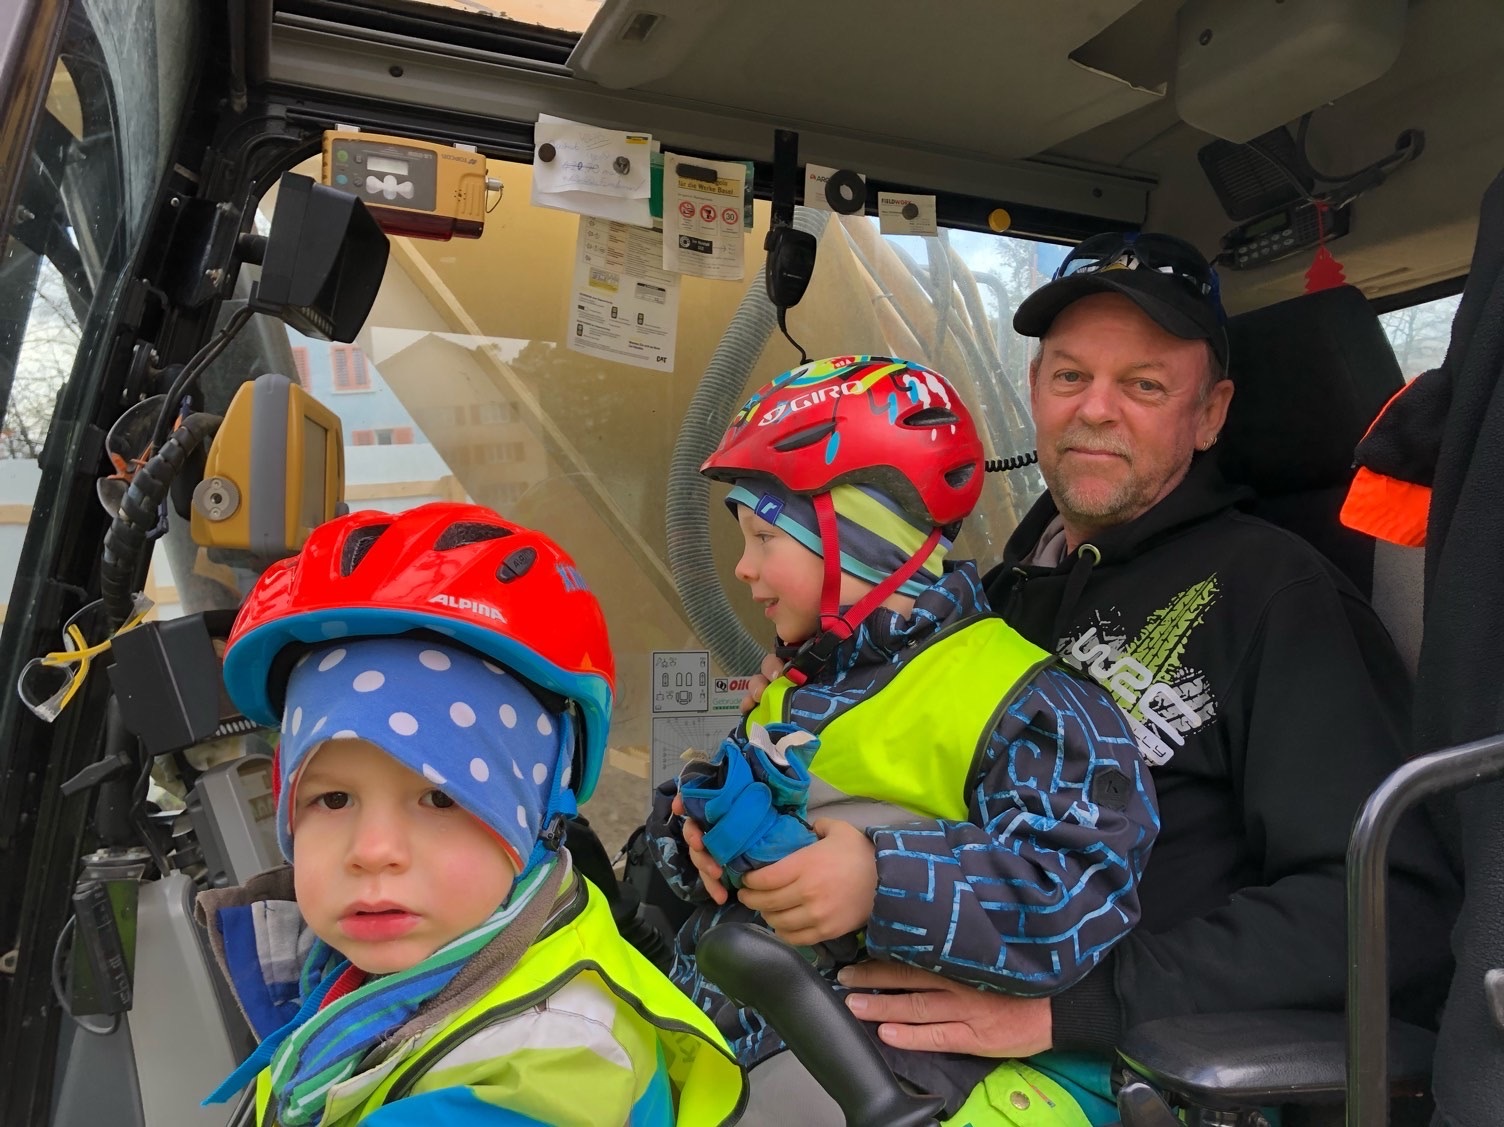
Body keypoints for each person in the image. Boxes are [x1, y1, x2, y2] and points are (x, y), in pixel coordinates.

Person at [807, 235, 1462, 1123]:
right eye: (1071, 377)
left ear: (1210, 413)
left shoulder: (1278, 595)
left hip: (1127, 1069)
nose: (1096, 411)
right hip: (913, 1015)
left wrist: (1075, 1007)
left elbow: (1388, 909)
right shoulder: (993, 601)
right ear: (1035, 391)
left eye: (1144, 385)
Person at [648, 356, 1160, 1122]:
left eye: (764, 536)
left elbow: (1075, 894)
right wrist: (694, 833)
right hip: (752, 1027)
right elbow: (734, 799)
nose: (745, 571)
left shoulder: (1030, 701)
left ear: (860, 543)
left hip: (921, 1069)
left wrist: (879, 881)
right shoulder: (801, 680)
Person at [196, 502, 745, 1127]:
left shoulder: (543, 1070)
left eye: (441, 797)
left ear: (539, 816)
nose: (372, 850)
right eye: (333, 799)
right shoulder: (388, 971)